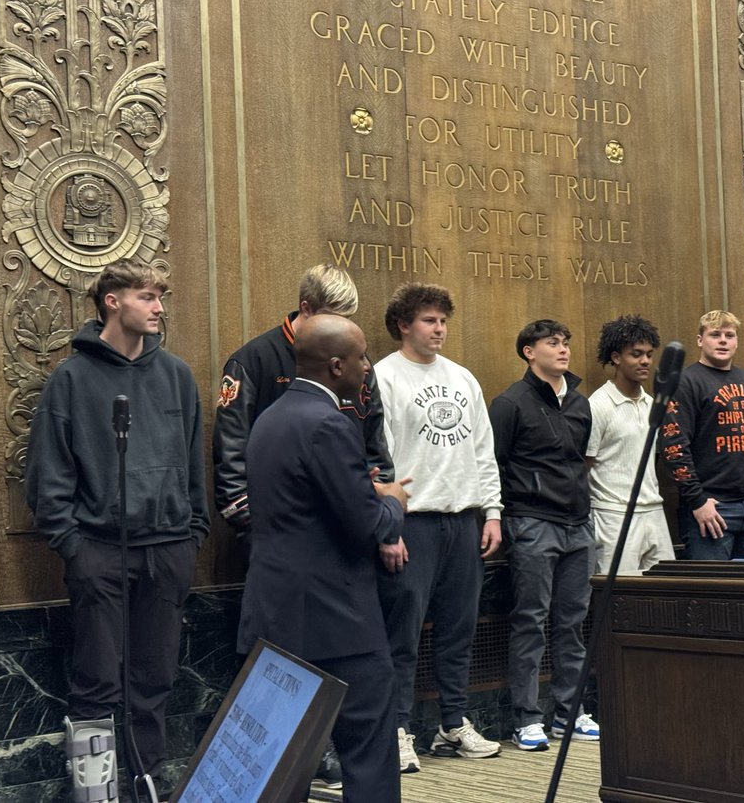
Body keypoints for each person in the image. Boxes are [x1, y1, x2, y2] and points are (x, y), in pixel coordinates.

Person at [27, 259, 209, 798]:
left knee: (155, 679)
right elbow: (47, 473)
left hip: (169, 548)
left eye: (160, 297)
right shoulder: (72, 378)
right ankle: (95, 792)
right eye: (147, 297)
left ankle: (146, 781)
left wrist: (192, 531)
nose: (158, 308)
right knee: (97, 681)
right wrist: (75, 549)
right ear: (113, 301)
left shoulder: (175, 374)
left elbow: (193, 461)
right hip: (101, 552)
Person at [237, 314, 410, 803]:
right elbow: (368, 527)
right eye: (361, 357)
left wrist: (363, 492)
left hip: (275, 615)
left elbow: (304, 504)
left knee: (277, 760)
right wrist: (393, 498)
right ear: (336, 366)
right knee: (369, 752)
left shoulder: (270, 418)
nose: (367, 365)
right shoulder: (329, 424)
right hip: (338, 623)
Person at [373, 283, 502, 773]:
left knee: (458, 630)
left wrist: (491, 512)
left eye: (443, 320)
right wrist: (388, 530)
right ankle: (398, 731)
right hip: (413, 523)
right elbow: (378, 461)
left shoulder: (463, 378)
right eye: (429, 320)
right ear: (404, 324)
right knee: (401, 635)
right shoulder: (384, 377)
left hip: (462, 520)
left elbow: (482, 451)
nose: (439, 328)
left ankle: (453, 725)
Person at [212, 264, 393, 566]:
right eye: (332, 318)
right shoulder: (254, 361)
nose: (341, 328)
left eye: (346, 319)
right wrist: (256, 526)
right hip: (278, 539)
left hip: (350, 529)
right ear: (305, 309)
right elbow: (231, 459)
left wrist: (380, 507)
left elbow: (375, 445)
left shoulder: (358, 363)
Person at [488, 320, 600, 750]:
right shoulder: (510, 403)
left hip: (578, 525)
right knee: (530, 620)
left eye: (566, 342)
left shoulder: (579, 403)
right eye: (552, 343)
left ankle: (569, 714)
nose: (563, 349)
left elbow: (580, 462)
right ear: (528, 352)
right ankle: (527, 718)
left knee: (571, 623)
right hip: (533, 522)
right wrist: (498, 516)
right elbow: (495, 464)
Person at [661, 310, 744, 559]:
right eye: (715, 334)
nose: (723, 340)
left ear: (736, 341)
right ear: (700, 340)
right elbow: (674, 447)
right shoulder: (684, 382)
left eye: (729, 335)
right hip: (712, 510)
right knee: (715, 594)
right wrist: (697, 501)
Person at [586, 315, 675, 573]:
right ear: (616, 358)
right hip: (613, 513)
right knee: (619, 598)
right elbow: (584, 466)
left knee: (665, 595)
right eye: (636, 354)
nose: (645, 361)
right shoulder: (598, 405)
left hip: (654, 510)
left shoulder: (652, 404)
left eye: (648, 354)